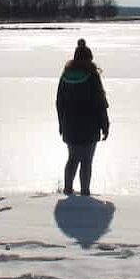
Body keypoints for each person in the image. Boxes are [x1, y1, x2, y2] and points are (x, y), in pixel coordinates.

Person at [56, 38, 109, 196]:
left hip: (69, 125)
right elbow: (100, 102)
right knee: (86, 161)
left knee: (72, 158)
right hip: (90, 126)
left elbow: (59, 102)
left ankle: (67, 189)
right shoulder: (92, 76)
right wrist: (105, 125)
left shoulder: (65, 75)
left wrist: (61, 124)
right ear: (89, 59)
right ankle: (85, 192)